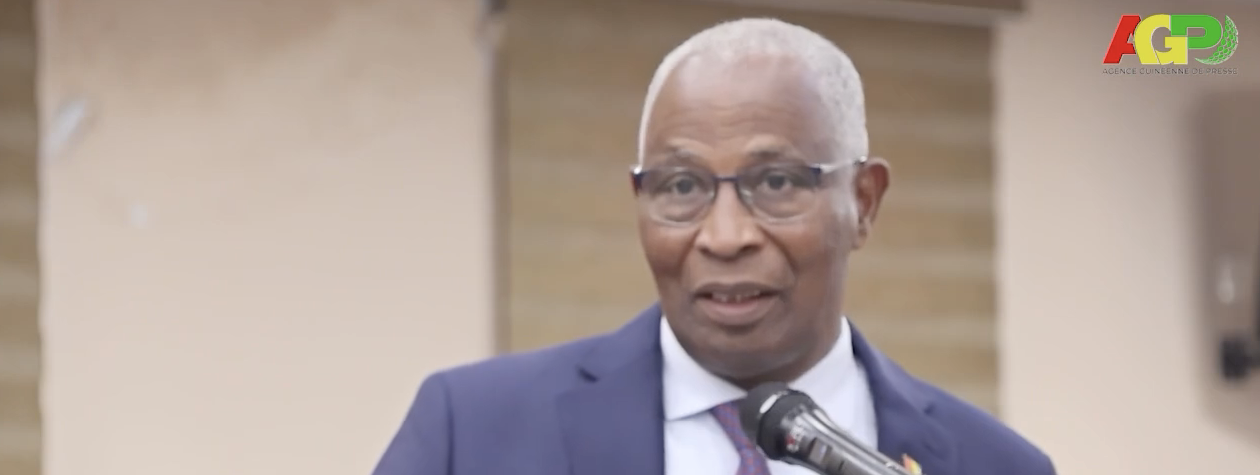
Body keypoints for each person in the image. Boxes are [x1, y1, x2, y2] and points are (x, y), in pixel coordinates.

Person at [373, 18, 1054, 475]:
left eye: (777, 181)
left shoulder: (994, 466)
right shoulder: (472, 434)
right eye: (681, 186)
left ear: (864, 202)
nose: (725, 237)